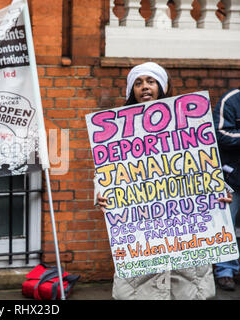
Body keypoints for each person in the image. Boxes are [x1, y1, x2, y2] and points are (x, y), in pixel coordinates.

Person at [95, 62, 232, 300]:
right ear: (131, 91)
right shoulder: (119, 132)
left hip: (185, 232)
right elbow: (106, 172)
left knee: (187, 292)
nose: (145, 87)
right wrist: (101, 193)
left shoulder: (188, 125)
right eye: (138, 83)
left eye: (151, 81)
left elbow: (203, 164)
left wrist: (218, 192)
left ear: (163, 86)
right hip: (143, 233)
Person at [212, 88, 240, 291]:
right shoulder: (231, 100)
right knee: (226, 224)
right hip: (232, 175)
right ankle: (225, 271)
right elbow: (219, 133)